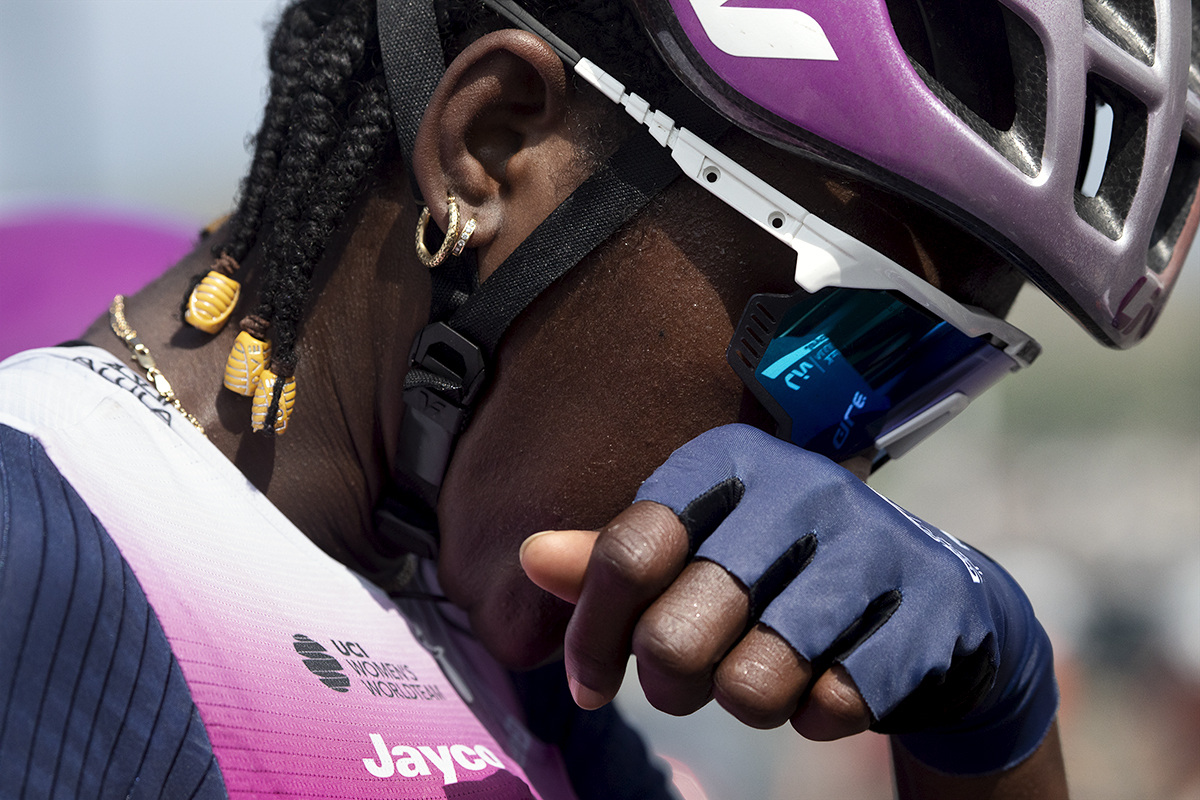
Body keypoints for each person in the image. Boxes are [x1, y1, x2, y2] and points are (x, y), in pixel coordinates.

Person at [0, 0, 1192, 797]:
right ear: (491, 145)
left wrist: (983, 729)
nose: (837, 462)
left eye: (925, 380)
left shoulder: (510, 675)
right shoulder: (30, 565)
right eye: (838, 341)